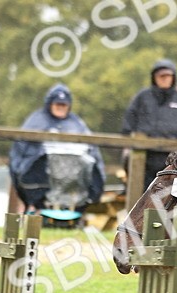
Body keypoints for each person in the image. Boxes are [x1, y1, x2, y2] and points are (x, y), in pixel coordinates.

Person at [9, 83, 105, 216]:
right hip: (43, 178)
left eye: (63, 105)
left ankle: (74, 212)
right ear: (50, 104)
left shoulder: (77, 124)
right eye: (57, 104)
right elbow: (21, 151)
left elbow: (92, 151)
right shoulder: (36, 121)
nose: (60, 108)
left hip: (74, 183)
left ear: (69, 106)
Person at [121, 59, 177, 194]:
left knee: (170, 197)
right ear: (154, 77)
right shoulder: (142, 97)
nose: (164, 79)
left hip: (172, 158)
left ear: (173, 78)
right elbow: (129, 121)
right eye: (161, 76)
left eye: (168, 76)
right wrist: (130, 142)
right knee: (142, 195)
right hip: (144, 157)